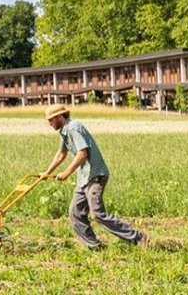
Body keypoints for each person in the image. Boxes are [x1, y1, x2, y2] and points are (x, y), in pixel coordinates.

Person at [40, 105, 145, 250]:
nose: (49, 123)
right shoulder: (64, 131)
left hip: (95, 175)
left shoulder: (73, 127)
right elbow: (61, 154)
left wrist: (66, 173)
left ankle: (138, 237)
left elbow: (82, 153)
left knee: (97, 214)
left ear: (59, 117)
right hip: (84, 178)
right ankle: (94, 247)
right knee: (75, 213)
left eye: (50, 120)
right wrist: (47, 172)